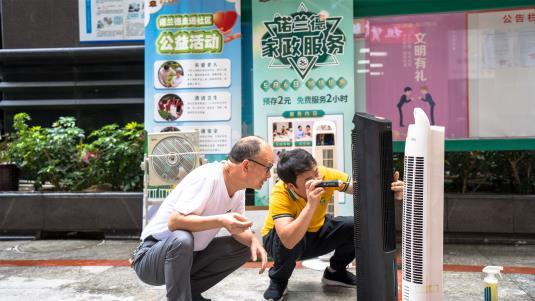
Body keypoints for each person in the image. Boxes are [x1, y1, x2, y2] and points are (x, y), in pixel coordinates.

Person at [132, 136, 272, 301]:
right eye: (268, 167)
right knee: (182, 238)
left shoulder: (238, 187)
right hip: (151, 258)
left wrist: (253, 242)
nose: (269, 175)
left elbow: (239, 229)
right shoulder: (208, 177)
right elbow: (175, 222)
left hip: (190, 256)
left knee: (244, 247)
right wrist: (222, 220)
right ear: (247, 165)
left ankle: (189, 294)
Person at [261, 149, 404, 301]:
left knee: (356, 225)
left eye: (316, 172)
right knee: (288, 234)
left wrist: (390, 190)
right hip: (280, 241)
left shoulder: (325, 174)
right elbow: (288, 240)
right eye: (309, 179)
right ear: (292, 186)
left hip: (316, 232)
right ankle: (278, 280)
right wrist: (310, 205)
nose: (318, 179)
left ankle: (335, 272)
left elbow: (361, 189)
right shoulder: (280, 193)